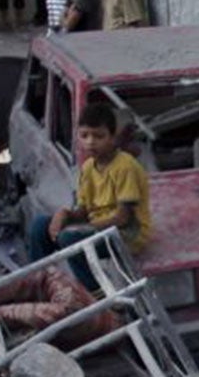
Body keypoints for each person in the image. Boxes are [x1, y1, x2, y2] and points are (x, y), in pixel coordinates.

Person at [25, 101, 150, 275]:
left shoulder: (125, 167)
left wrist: (85, 228)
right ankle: (41, 281)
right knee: (40, 226)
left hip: (126, 235)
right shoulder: (88, 168)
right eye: (84, 136)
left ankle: (96, 294)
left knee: (70, 239)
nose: (90, 142)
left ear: (112, 138)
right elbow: (83, 211)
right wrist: (65, 215)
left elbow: (123, 218)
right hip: (96, 227)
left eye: (99, 136)